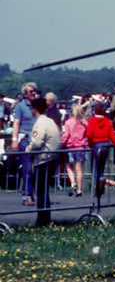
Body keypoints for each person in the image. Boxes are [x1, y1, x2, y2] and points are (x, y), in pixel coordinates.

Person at [25, 96, 61, 227]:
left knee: (41, 190)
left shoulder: (40, 123)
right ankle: (45, 217)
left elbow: (37, 142)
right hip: (52, 157)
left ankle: (42, 219)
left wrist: (27, 149)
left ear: (34, 109)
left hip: (43, 160)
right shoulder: (50, 121)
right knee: (43, 190)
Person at [85, 102, 115, 202]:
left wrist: (90, 144)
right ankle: (101, 182)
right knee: (102, 167)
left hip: (96, 145)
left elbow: (89, 134)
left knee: (94, 167)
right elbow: (112, 134)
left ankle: (97, 187)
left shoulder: (91, 121)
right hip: (105, 145)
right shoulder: (107, 121)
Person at [61, 103, 89, 197]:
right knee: (79, 169)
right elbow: (88, 134)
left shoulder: (68, 122)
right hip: (81, 147)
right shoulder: (84, 123)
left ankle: (73, 183)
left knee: (69, 167)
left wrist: (62, 142)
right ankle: (79, 190)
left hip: (70, 147)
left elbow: (66, 135)